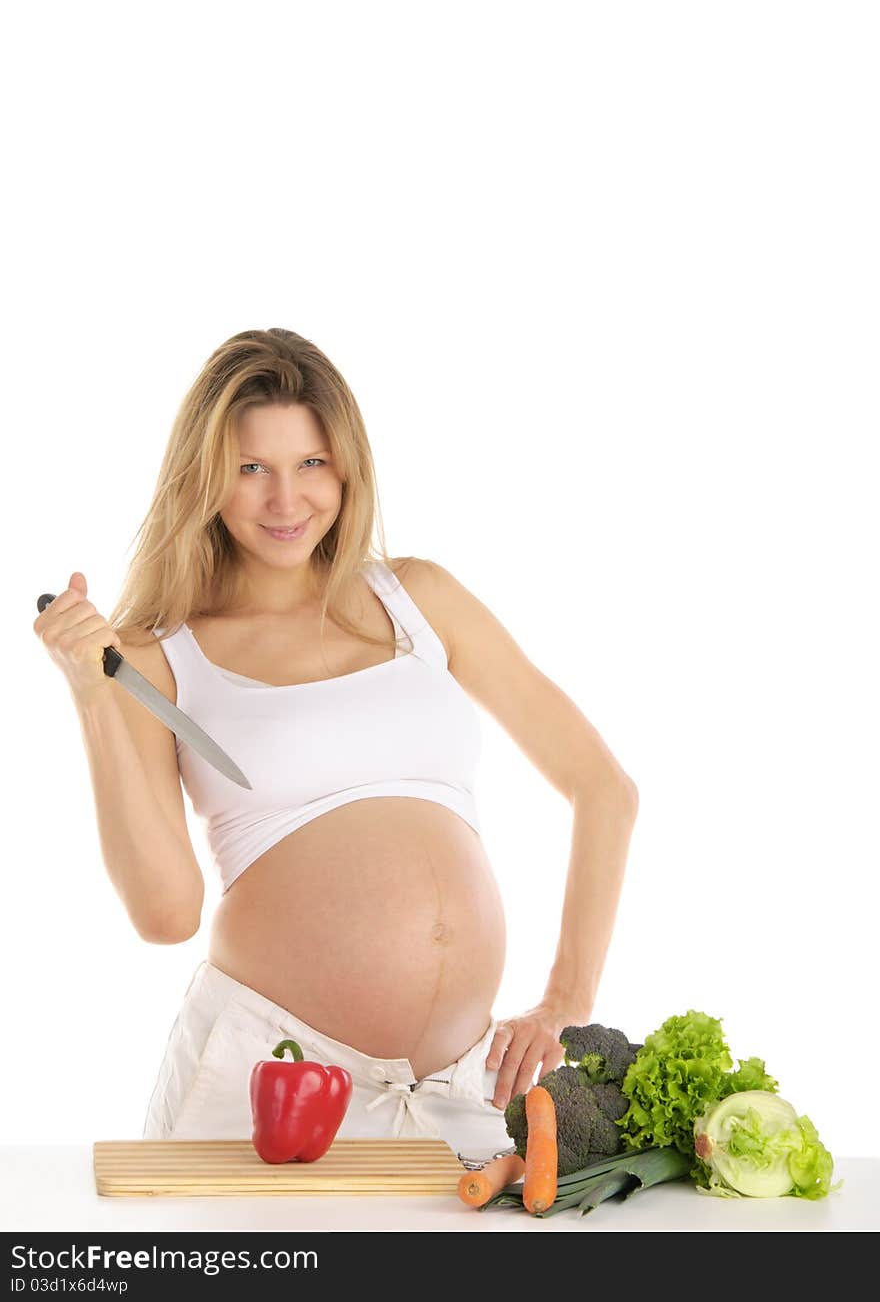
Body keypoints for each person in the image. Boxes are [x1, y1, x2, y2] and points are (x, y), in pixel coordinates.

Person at [33, 327, 639, 1166]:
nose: (286, 500)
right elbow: (165, 914)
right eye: (251, 469)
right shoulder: (156, 657)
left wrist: (566, 999)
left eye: (310, 463)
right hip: (264, 1081)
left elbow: (603, 787)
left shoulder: (421, 598)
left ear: (347, 465)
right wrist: (94, 698)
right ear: (204, 479)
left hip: (460, 1091)